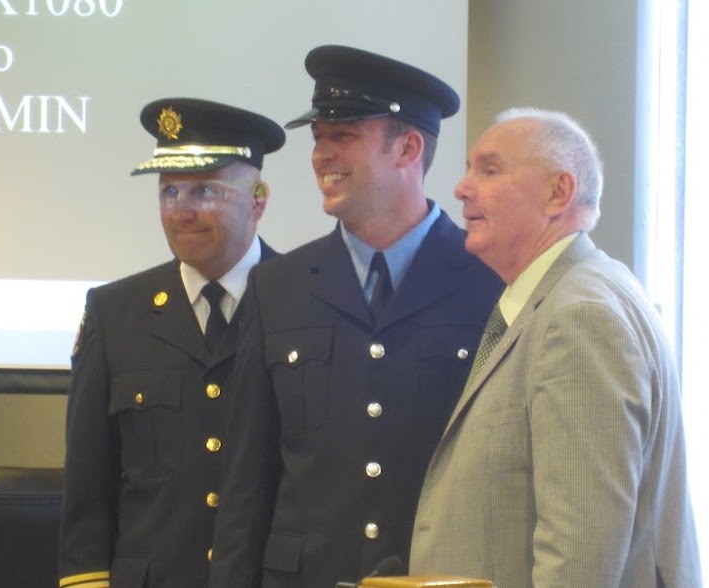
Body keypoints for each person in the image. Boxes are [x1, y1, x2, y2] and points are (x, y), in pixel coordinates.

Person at [208, 45, 503, 588]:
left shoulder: (489, 282)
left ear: (408, 147)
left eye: (342, 136)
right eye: (318, 137)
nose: (321, 154)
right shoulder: (278, 288)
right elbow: (246, 481)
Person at [409, 107, 702, 586]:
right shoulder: (574, 295)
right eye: (468, 169)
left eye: (489, 169)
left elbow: (581, 556)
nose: (462, 188)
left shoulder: (578, 316)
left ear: (557, 193)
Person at [58, 98, 285, 588]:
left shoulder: (302, 301)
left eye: (206, 190)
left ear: (259, 199)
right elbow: (89, 483)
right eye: (169, 192)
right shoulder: (116, 313)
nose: (182, 211)